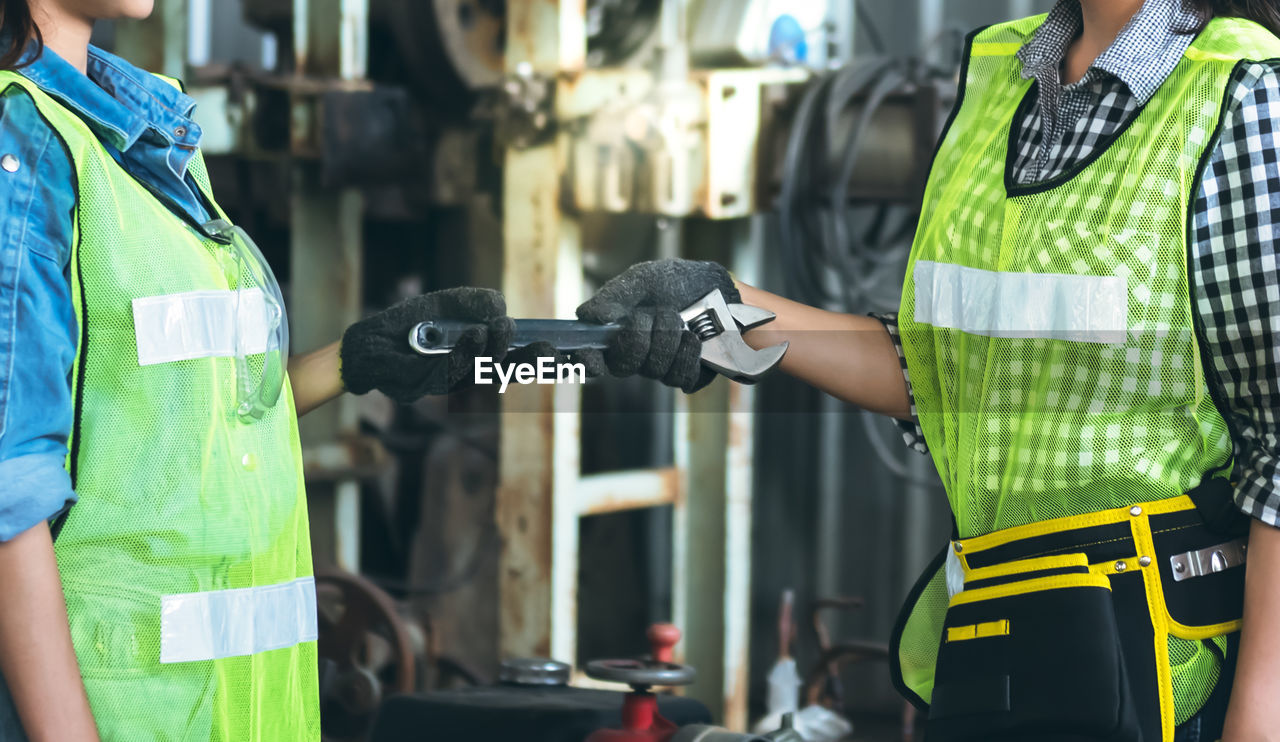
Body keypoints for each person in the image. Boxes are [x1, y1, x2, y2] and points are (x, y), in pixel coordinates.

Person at [585, 1, 1280, 740]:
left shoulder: (1241, 93)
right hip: (1004, 656)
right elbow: (946, 373)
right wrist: (720, 312)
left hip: (1170, 682)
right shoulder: (998, 72)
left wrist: (1258, 718)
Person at [0, 0, 517, 739]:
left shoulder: (140, 128)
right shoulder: (24, 146)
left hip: (251, 711)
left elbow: (185, 417)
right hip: (130, 714)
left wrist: (355, 360)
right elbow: (8, 495)